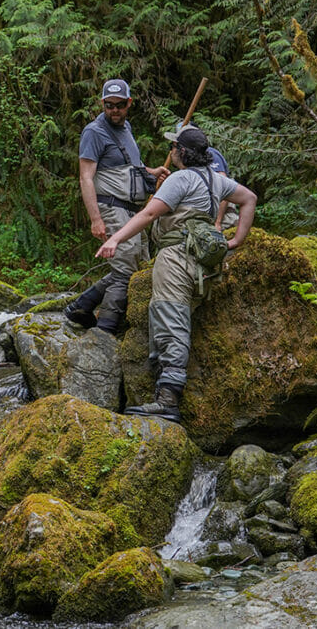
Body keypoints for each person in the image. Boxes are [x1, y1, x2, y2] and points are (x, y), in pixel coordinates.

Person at [96, 124, 257, 422]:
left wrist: (115, 239)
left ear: (181, 153)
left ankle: (168, 399)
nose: (171, 152)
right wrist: (235, 241)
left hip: (177, 259)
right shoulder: (215, 179)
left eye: (173, 148)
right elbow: (250, 199)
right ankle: (162, 392)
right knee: (172, 318)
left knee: (171, 320)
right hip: (202, 264)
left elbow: (148, 214)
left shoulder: (181, 179)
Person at [64, 79, 170, 334]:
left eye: (120, 105)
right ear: (102, 103)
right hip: (112, 208)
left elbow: (131, 166)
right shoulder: (94, 132)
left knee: (137, 266)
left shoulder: (127, 128)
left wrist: (151, 171)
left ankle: (81, 306)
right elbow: (86, 177)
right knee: (124, 271)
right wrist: (96, 219)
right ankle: (106, 331)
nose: (114, 110)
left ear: (129, 103)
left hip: (133, 211)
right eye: (109, 105)